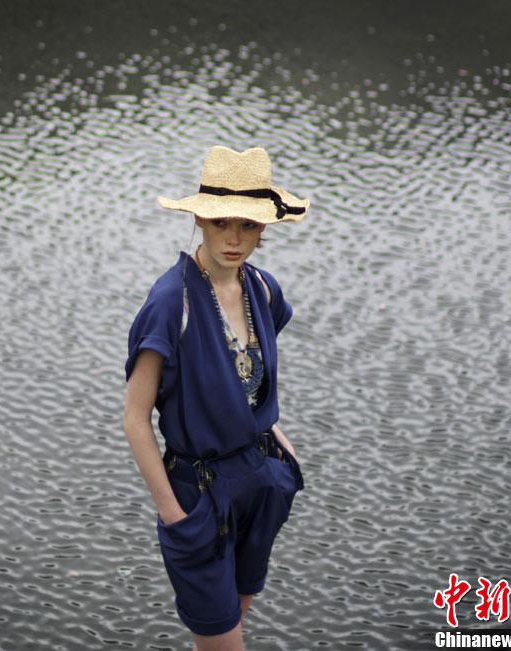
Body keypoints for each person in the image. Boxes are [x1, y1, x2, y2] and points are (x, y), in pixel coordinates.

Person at [123, 145, 309, 650]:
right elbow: (135, 419)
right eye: (222, 221)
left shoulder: (261, 289)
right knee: (222, 639)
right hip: (198, 491)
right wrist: (172, 513)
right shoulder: (171, 303)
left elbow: (245, 380)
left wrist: (279, 444)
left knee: (234, 621)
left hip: (261, 479)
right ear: (199, 218)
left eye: (247, 225)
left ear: (264, 228)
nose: (234, 238)